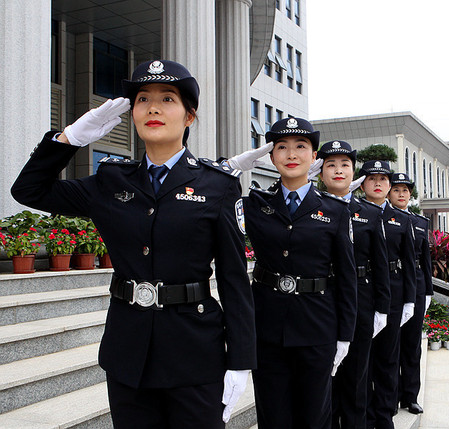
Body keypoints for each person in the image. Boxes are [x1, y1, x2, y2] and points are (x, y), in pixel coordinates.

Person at [11, 60, 256, 428]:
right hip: (128, 350)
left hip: (194, 350)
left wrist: (240, 360)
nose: (153, 108)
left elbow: (235, 280)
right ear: (133, 114)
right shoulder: (111, 181)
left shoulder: (217, 186)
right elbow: (28, 190)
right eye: (142, 99)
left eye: (167, 99)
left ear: (189, 117)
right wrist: (69, 139)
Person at [238, 119, 357, 429]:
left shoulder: (334, 210)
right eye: (282, 147)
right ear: (272, 156)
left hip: (317, 326)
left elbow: (346, 276)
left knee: (315, 416)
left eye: (300, 147)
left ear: (314, 156)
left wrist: (345, 334)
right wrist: (232, 168)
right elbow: (210, 196)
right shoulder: (254, 205)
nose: (291, 154)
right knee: (273, 415)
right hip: (267, 327)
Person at [313, 140, 390, 429]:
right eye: (330, 165)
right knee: (324, 379)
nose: (338, 170)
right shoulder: (312, 208)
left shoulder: (370, 213)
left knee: (357, 375)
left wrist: (382, 308)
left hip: (361, 299)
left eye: (344, 164)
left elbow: (380, 264)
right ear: (320, 172)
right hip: (323, 299)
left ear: (353, 171)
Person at [359, 161, 417, 429]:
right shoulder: (351, 213)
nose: (378, 183)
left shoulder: (402, 219)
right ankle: (363, 414)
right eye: (372, 178)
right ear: (362, 183)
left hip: (393, 293)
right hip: (361, 293)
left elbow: (410, 263)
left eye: (384, 179)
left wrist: (410, 300)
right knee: (361, 361)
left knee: (387, 359)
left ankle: (384, 417)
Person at [388, 173, 434, 415]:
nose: (402, 194)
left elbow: (426, 260)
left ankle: (410, 396)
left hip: (415, 284)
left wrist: (428, 292)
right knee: (391, 343)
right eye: (396, 189)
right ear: (388, 192)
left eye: (405, 190)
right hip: (394, 283)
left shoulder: (420, 222)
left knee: (412, 344)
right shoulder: (383, 219)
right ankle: (392, 395)